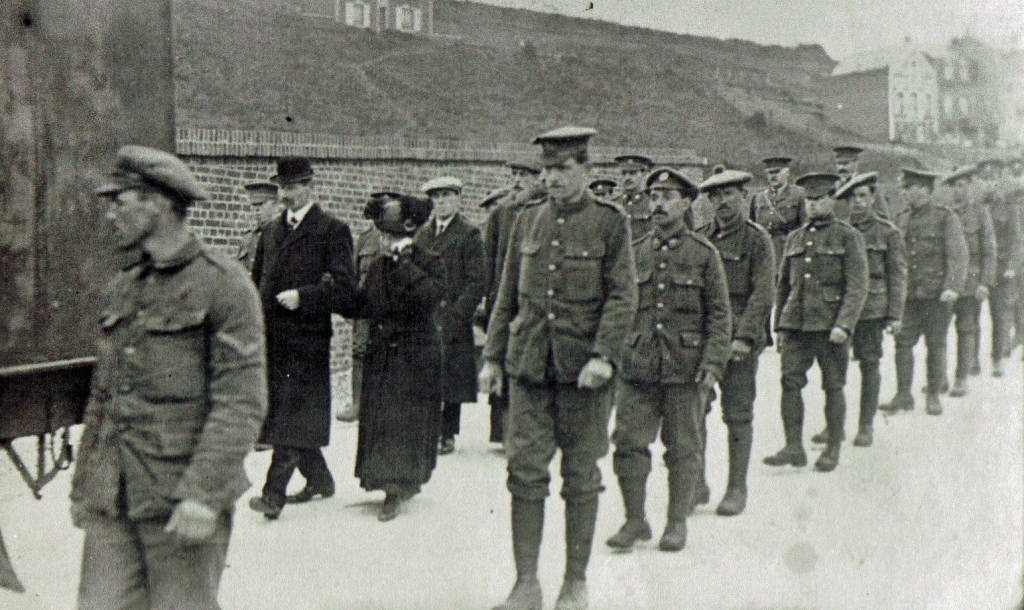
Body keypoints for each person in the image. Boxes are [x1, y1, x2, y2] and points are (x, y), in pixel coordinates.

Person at [71, 145, 267, 610]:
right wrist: (84, 488)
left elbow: (241, 401)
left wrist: (203, 495)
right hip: (113, 499)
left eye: (120, 200)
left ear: (158, 201)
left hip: (180, 499)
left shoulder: (224, 285)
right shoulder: (123, 287)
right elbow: (103, 399)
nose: (110, 213)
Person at [480, 126, 637, 610]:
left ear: (586, 170)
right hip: (528, 368)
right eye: (546, 170)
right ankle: (526, 583)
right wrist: (491, 356)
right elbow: (506, 296)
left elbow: (622, 295)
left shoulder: (611, 222)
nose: (551, 179)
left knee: (581, 475)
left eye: (563, 169)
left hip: (583, 375)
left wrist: (603, 356)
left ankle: (575, 582)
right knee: (524, 474)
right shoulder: (524, 219)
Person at [605, 167, 730, 554]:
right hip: (638, 365)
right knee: (627, 443)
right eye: (654, 196)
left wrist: (711, 364)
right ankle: (635, 519)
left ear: (688, 202)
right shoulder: (634, 251)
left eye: (668, 196)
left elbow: (720, 314)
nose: (657, 204)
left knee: (683, 447)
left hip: (685, 368)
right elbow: (617, 305)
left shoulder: (703, 254)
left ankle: (676, 522)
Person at [249, 157, 356, 519]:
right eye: (283, 188)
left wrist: (304, 297)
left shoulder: (332, 230)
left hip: (307, 340)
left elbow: (345, 288)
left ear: (310, 186)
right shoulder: (271, 231)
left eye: (294, 187)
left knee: (291, 416)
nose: (287, 195)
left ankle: (272, 495)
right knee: (292, 412)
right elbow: (256, 283)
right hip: (274, 340)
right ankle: (320, 480)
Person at [764, 172, 868, 473]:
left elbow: (857, 286)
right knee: (789, 383)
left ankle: (833, 447)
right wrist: (780, 326)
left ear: (833, 200)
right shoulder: (795, 237)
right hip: (796, 324)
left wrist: (844, 325)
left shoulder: (848, 237)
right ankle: (793, 446)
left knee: (833, 386)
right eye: (808, 200)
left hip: (830, 326)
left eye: (819, 199)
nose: (812, 205)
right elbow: (783, 285)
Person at [352, 193, 445, 521]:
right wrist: (317, 297)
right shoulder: (379, 265)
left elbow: (428, 299)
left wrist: (404, 263)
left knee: (404, 422)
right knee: (383, 420)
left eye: (391, 237)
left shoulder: (428, 261)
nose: (385, 242)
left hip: (415, 357)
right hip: (384, 356)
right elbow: (363, 303)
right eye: (385, 237)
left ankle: (397, 488)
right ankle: (386, 481)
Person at [696, 168, 776, 515]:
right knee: (694, 410)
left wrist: (744, 337)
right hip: (704, 338)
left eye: (729, 195)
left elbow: (763, 294)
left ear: (744, 196)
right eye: (715, 196)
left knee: (737, 413)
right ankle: (695, 484)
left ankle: (736, 488)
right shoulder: (702, 237)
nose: (722, 202)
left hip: (739, 338)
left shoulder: (757, 240)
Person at [810, 173, 906, 447]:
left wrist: (895, 315)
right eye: (852, 198)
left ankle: (866, 425)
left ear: (873, 198)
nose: (858, 203)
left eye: (863, 196)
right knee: (833, 370)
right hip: (841, 310)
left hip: (872, 310)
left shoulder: (888, 232)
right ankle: (834, 425)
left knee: (869, 364)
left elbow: (897, 276)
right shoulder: (838, 231)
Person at [880, 169, 968, 416]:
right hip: (908, 295)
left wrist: (952, 287)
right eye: (906, 189)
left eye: (914, 189)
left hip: (936, 294)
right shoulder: (901, 219)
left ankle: (933, 395)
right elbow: (894, 259)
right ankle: (903, 394)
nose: (909, 194)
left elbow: (957, 255)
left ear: (928, 191)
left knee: (936, 344)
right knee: (902, 343)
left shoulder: (945, 217)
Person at [415, 176, 485, 455]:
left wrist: (458, 314)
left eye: (446, 195)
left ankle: (448, 432)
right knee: (426, 374)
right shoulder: (423, 234)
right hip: (426, 315)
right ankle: (428, 430)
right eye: (436, 197)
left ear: (458, 198)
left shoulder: (468, 233)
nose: (441, 202)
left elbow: (477, 281)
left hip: (453, 316)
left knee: (452, 376)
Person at [481, 160, 547, 445]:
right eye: (515, 175)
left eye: (525, 176)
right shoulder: (502, 212)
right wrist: (488, 299)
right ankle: (505, 431)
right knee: (506, 365)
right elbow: (488, 258)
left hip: (538, 300)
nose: (518, 181)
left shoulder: (548, 209)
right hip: (506, 299)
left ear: (539, 178)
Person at [337, 191, 399, 423]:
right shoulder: (364, 239)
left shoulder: (400, 237)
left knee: (390, 353)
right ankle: (357, 404)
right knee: (359, 352)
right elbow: (353, 276)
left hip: (390, 308)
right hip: (365, 308)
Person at [943, 165, 996, 396]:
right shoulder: (944, 213)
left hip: (971, 283)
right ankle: (940, 377)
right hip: (946, 281)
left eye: (962, 186)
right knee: (939, 332)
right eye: (953, 187)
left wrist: (985, 282)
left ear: (971, 186)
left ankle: (961, 378)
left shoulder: (980, 213)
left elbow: (989, 250)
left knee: (965, 329)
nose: (957, 191)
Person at [980, 162, 1024, 373]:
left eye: (996, 181)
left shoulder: (1010, 209)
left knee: (999, 313)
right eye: (988, 180)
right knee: (969, 316)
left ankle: (997, 358)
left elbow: (1016, 239)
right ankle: (970, 361)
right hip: (977, 267)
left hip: (1000, 267)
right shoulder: (979, 206)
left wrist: (1010, 266)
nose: (992, 185)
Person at [751, 156, 806, 266]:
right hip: (763, 251)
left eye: (777, 172)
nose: (773, 176)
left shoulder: (799, 195)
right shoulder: (759, 197)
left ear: (787, 173)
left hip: (787, 250)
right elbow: (752, 228)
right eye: (770, 173)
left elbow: (804, 227)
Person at [833, 145, 893, 218]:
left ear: (856, 163)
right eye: (839, 164)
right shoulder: (832, 187)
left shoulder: (868, 185)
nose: (841, 168)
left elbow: (883, 217)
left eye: (846, 163)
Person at [236, 181, 279, 271]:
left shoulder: (281, 236)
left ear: (275, 205)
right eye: (254, 205)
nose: (257, 209)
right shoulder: (248, 238)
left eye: (262, 204)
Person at [612, 154, 655, 238]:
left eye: (632, 173)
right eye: (624, 173)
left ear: (644, 173)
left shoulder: (652, 203)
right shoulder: (614, 204)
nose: (627, 177)